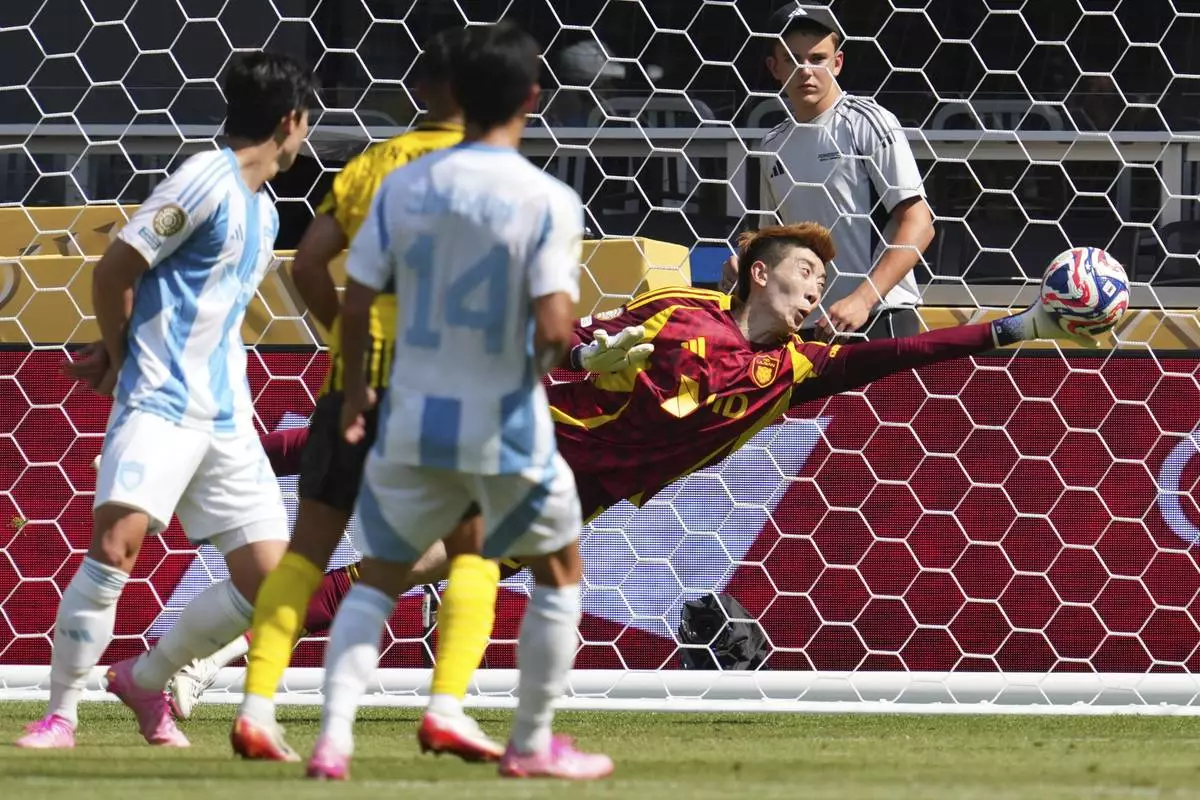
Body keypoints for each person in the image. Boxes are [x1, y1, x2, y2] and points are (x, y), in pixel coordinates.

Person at [160, 222, 1094, 754]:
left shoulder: (797, 370)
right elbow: (582, 339)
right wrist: (595, 352)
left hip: (570, 495)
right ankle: (245, 465)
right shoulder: (680, 314)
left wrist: (1021, 324)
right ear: (756, 273)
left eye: (824, 283)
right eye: (807, 273)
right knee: (365, 467)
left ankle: (217, 650)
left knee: (396, 569)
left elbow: (901, 354)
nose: (819, 291)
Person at [304, 21, 614, 781]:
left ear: (455, 97)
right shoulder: (547, 198)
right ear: (532, 100)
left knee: (379, 571)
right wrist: (568, 351)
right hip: (501, 415)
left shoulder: (404, 183)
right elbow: (548, 326)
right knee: (558, 565)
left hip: (410, 406)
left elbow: (357, 296)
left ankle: (332, 740)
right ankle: (532, 741)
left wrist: (357, 390)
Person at [14, 51, 314, 750]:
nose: (306, 139)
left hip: (228, 416)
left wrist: (120, 343)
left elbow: (179, 297)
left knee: (273, 584)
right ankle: (61, 715)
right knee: (116, 547)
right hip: (160, 401)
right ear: (290, 121)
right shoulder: (205, 179)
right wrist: (121, 359)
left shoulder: (264, 212)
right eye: (307, 125)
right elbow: (119, 265)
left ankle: (146, 679)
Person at [225, 27, 472, 762]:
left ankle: (259, 705)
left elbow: (305, 267)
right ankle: (445, 708)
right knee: (470, 552)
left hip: (350, 389)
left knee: (305, 556)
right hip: (436, 397)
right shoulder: (487, 172)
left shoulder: (372, 162)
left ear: (418, 91)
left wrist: (347, 344)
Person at [724, 2, 935, 342]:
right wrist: (745, 268)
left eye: (817, 59)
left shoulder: (869, 121)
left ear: (837, 63)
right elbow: (774, 240)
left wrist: (862, 300)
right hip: (803, 326)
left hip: (878, 316)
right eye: (792, 60)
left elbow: (920, 224)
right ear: (773, 67)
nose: (805, 71)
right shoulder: (772, 144)